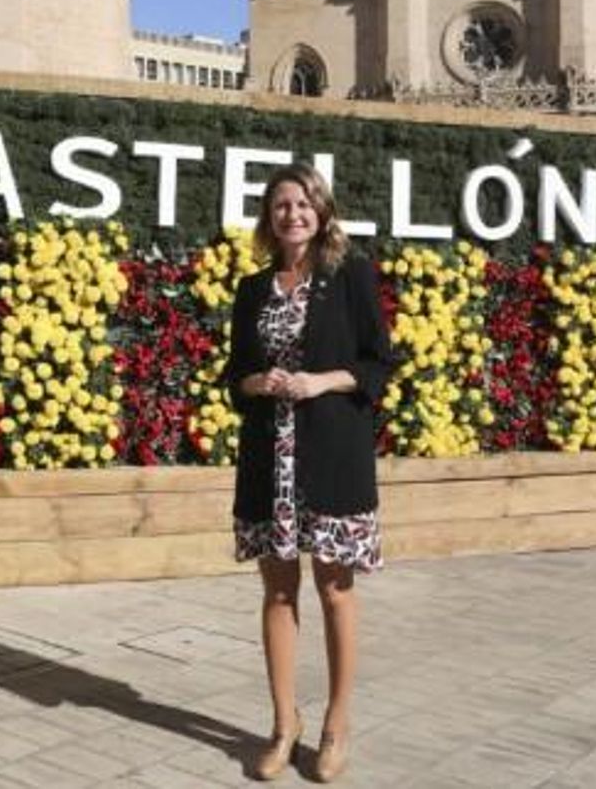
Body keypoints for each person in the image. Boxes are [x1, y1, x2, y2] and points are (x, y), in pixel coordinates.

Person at [223, 162, 393, 782]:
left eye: (301, 204)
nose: (291, 214)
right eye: (279, 207)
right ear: (269, 220)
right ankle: (283, 723)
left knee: (334, 590)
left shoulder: (348, 275)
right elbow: (233, 377)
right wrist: (256, 380)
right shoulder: (252, 289)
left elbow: (377, 363)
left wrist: (319, 381)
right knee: (276, 591)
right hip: (271, 460)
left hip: (332, 455)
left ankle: (335, 726)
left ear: (321, 212)